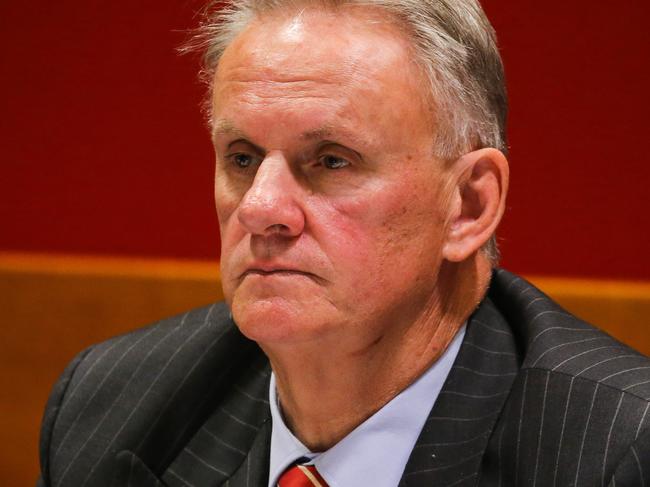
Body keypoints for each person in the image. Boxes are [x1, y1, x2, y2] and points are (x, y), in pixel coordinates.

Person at [37, 1, 650, 486]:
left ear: (468, 206)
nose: (260, 208)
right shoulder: (111, 407)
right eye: (243, 158)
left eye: (331, 161)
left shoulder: (616, 451)